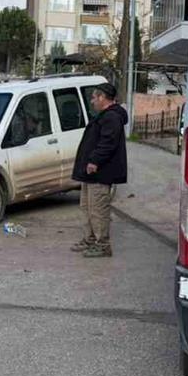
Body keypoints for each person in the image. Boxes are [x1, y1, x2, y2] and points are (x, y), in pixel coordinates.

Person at [71, 83, 129, 259]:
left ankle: (102, 244)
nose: (92, 101)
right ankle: (89, 239)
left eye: (94, 97)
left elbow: (108, 142)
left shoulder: (111, 117)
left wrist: (95, 160)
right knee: (87, 207)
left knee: (98, 209)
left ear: (103, 97)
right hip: (91, 174)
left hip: (101, 173)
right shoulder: (104, 116)